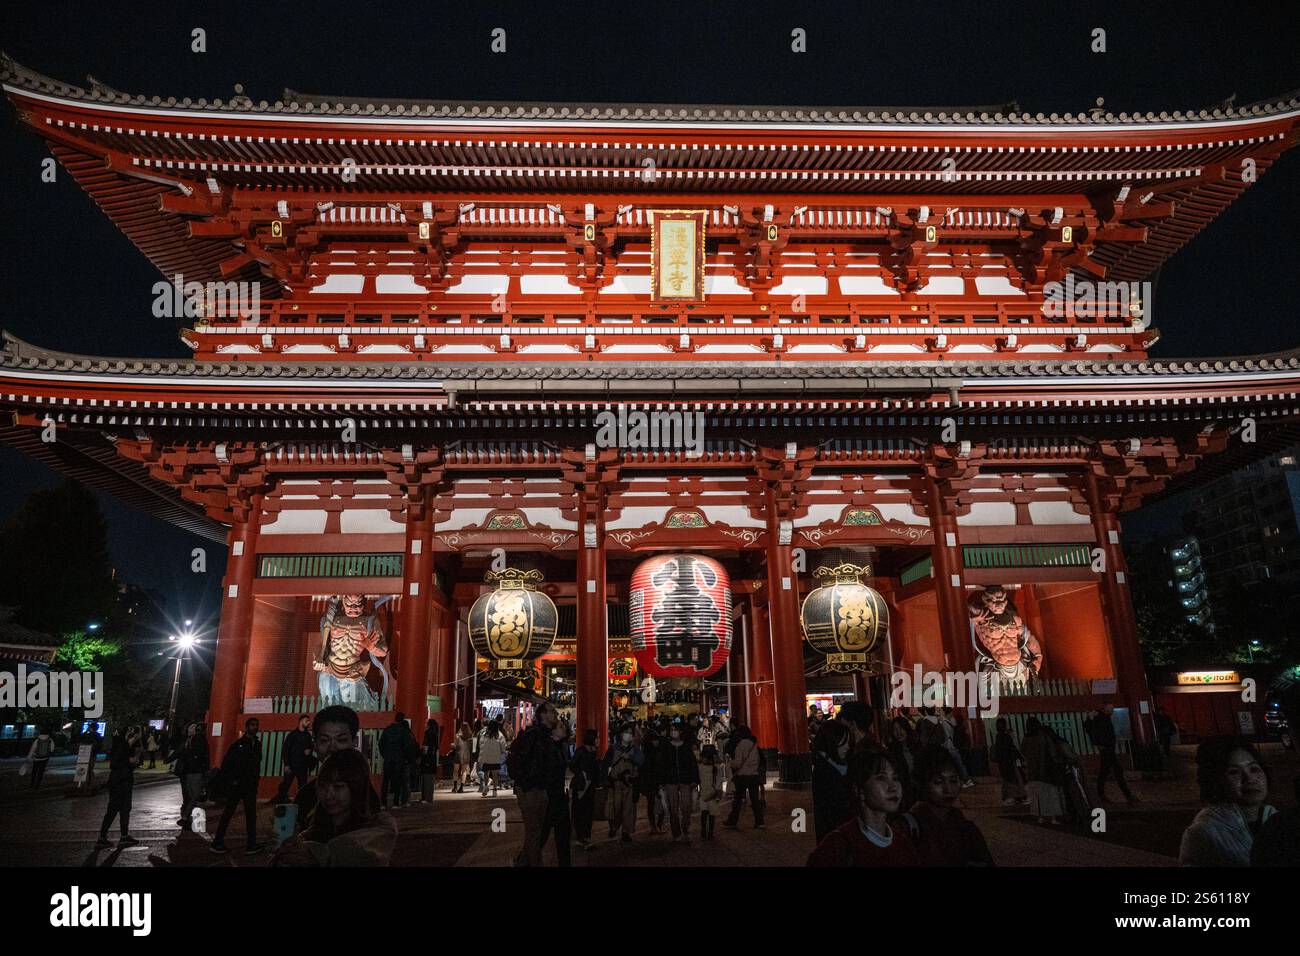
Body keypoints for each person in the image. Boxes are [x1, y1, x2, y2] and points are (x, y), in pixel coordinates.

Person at [272, 749, 398, 867]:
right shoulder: (314, 830)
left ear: (356, 788)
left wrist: (313, 853)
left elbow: (359, 851)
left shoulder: (380, 825)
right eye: (322, 786)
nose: (328, 795)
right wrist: (285, 849)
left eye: (338, 787)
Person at [807, 746, 923, 866]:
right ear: (859, 790)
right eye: (881, 778)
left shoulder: (903, 844)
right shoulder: (837, 848)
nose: (893, 787)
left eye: (895, 778)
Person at [1179, 738, 1277, 866]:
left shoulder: (1278, 820)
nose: (1250, 778)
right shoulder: (1203, 833)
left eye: (1254, 768)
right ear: (1217, 781)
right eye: (1234, 772)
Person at [296, 704, 379, 833]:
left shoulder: (365, 794)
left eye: (341, 740)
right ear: (315, 744)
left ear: (353, 742)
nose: (332, 747)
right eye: (324, 740)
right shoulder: (305, 795)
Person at [905, 748, 994, 866]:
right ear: (922, 784)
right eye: (938, 782)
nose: (948, 789)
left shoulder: (966, 828)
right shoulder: (909, 828)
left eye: (953, 781)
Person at [508, 701, 565, 866]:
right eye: (552, 711)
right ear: (543, 715)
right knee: (534, 833)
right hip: (531, 790)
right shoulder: (533, 735)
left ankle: (522, 861)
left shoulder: (546, 737)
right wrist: (527, 783)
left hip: (539, 789)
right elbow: (521, 761)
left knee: (537, 832)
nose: (555, 714)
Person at [210, 718, 265, 854]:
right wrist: (232, 780)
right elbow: (228, 763)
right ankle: (218, 841)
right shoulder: (238, 745)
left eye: (256, 725)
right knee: (228, 812)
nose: (255, 727)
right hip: (238, 784)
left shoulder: (257, 744)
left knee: (251, 815)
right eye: (252, 725)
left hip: (250, 784)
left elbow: (257, 764)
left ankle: (251, 844)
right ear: (247, 727)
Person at [96, 726, 143, 847]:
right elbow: (115, 763)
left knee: (125, 809)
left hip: (124, 781)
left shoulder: (128, 746)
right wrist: (130, 761)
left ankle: (123, 836)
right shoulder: (123, 746)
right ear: (136, 735)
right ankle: (103, 836)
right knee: (113, 809)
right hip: (119, 783)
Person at [537, 719, 574, 866]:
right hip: (548, 796)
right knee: (542, 835)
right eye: (560, 727)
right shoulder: (547, 748)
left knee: (563, 834)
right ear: (552, 732)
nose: (563, 728)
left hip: (559, 795)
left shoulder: (562, 747)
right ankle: (525, 860)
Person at [811, 719, 854, 843]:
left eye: (848, 741)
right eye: (843, 741)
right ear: (832, 741)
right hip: (836, 834)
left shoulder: (837, 764)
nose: (847, 746)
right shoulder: (825, 772)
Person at [1085, 704, 1136, 804]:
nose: (1112, 711)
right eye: (1111, 709)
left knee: (1105, 772)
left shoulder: (1101, 717)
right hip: (1107, 748)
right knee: (1117, 771)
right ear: (1106, 710)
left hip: (1106, 748)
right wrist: (1098, 743)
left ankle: (1102, 794)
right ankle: (1128, 795)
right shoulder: (1100, 718)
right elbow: (1091, 729)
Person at [1020, 717, 1067, 825]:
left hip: (1033, 771)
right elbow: (1052, 752)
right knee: (1050, 794)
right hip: (1046, 769)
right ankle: (1053, 817)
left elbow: (1023, 752)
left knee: (1037, 796)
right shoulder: (1043, 736)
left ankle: (1040, 816)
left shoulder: (1026, 738)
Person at [658, 722, 699, 842]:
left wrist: (694, 779)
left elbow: (693, 764)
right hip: (671, 780)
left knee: (686, 806)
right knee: (673, 808)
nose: (673, 732)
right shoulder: (666, 747)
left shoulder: (686, 746)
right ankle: (676, 833)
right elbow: (662, 765)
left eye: (675, 729)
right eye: (671, 730)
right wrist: (662, 780)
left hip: (685, 779)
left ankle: (686, 828)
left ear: (680, 731)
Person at [602, 724, 644, 843]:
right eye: (627, 732)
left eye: (631, 733)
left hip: (629, 784)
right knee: (614, 809)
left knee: (628, 809)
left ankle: (626, 832)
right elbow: (605, 765)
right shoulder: (613, 749)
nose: (629, 735)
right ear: (621, 734)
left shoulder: (635, 749)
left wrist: (630, 757)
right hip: (615, 784)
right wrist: (605, 779)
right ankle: (614, 826)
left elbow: (641, 762)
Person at [724, 724, 765, 830]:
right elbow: (758, 760)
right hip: (753, 775)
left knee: (737, 800)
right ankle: (760, 821)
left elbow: (737, 763)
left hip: (742, 775)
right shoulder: (753, 745)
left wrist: (730, 762)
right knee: (754, 799)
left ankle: (733, 821)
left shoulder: (740, 745)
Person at [569, 729, 600, 848]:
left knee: (589, 810)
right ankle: (580, 836)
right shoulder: (581, 751)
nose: (598, 740)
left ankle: (586, 836)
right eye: (596, 738)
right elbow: (572, 765)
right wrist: (581, 773)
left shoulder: (593, 752)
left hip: (590, 785)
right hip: (581, 785)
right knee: (580, 810)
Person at [176, 721, 210, 829]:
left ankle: (187, 817)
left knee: (193, 795)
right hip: (193, 770)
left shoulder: (194, 740)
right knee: (193, 795)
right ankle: (192, 819)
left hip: (193, 770)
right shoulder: (191, 740)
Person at [378, 712, 414, 810]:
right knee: (397, 781)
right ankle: (395, 803)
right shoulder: (403, 731)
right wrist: (407, 758)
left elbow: (381, 744)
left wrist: (385, 755)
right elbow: (407, 746)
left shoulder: (387, 730)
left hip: (388, 758)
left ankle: (383, 803)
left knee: (385, 781)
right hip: (399, 759)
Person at [276, 715, 315, 803]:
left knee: (302, 787)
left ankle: (300, 804)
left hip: (303, 765)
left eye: (309, 721)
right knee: (286, 785)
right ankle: (280, 803)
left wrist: (310, 750)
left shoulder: (308, 735)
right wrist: (286, 764)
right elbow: (285, 750)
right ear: (300, 721)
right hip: (291, 765)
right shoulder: (292, 735)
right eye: (306, 721)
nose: (308, 723)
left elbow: (311, 747)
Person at [638, 726, 666, 834]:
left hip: (651, 782)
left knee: (655, 804)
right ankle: (656, 825)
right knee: (657, 804)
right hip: (653, 782)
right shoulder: (651, 754)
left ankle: (655, 826)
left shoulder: (649, 753)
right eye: (654, 739)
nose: (656, 741)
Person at [938, 707, 975, 788]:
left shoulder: (944, 723)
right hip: (955, 746)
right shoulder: (952, 721)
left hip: (949, 746)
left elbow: (946, 736)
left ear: (944, 712)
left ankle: (966, 780)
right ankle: (965, 780)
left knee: (956, 764)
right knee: (958, 763)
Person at [993, 718, 1027, 806]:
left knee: (1008, 780)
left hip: (1003, 762)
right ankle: (1018, 796)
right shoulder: (1006, 737)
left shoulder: (998, 737)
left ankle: (1010, 797)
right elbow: (1012, 749)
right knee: (1015, 779)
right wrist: (1020, 757)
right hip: (1010, 762)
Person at [476, 720, 507, 797]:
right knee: (495, 774)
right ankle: (495, 790)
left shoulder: (484, 734)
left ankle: (486, 786)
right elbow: (503, 746)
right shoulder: (499, 735)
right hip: (495, 758)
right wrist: (502, 751)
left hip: (486, 758)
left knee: (486, 773)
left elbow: (480, 744)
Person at [698, 745, 723, 839]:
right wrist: (718, 793)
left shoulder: (700, 767)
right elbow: (718, 782)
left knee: (704, 813)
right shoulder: (716, 768)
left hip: (704, 793)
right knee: (711, 814)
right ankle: (710, 832)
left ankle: (704, 831)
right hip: (712, 794)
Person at [420, 718, 440, 803]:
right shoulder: (436, 734)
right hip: (433, 759)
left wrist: (422, 754)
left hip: (427, 759)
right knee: (430, 779)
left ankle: (425, 797)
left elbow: (426, 747)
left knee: (426, 778)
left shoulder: (428, 733)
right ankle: (429, 797)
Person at [453, 723, 474, 793]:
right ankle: (461, 787)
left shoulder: (457, 736)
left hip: (458, 754)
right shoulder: (470, 736)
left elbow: (455, 745)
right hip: (466, 754)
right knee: (464, 771)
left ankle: (455, 786)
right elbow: (471, 747)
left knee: (456, 770)